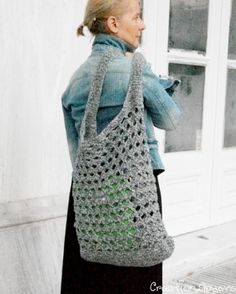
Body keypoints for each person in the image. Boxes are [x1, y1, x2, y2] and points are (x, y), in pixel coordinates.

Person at [60, 0, 182, 293]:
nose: (142, 24)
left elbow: (78, 153)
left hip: (88, 196)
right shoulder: (136, 71)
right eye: (137, 17)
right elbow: (171, 119)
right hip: (134, 191)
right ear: (114, 23)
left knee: (90, 277)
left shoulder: (74, 81)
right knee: (135, 277)